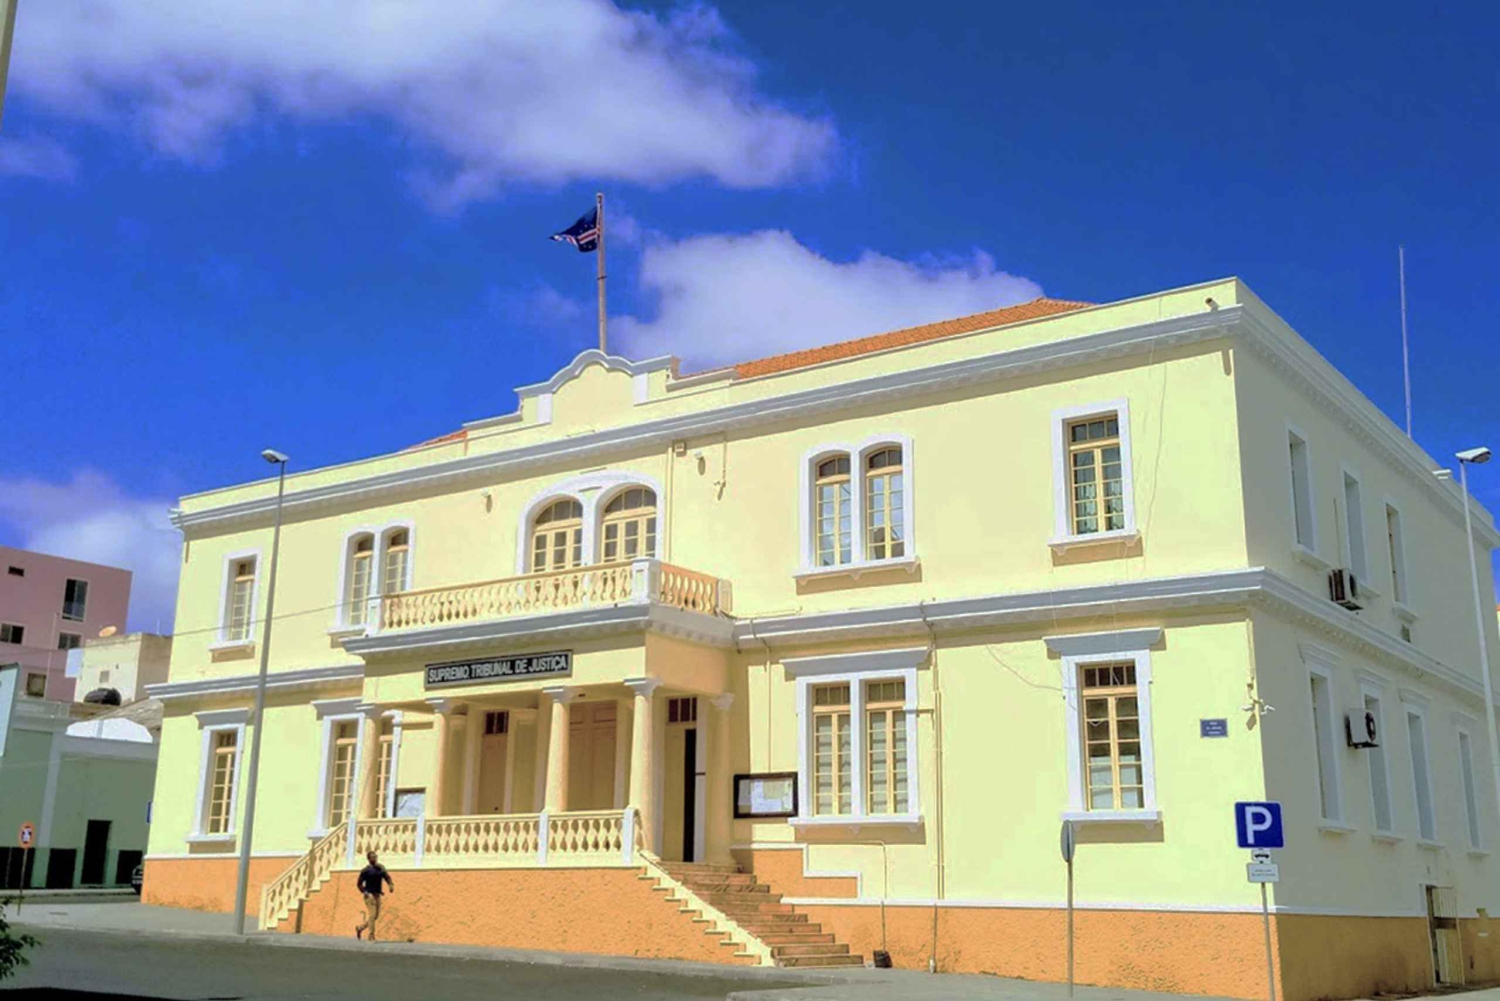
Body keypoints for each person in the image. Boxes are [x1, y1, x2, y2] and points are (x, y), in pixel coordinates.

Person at [354, 850, 394, 941]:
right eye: (372, 857)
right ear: (368, 859)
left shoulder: (380, 868)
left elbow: (387, 877)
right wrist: (365, 892)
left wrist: (390, 885)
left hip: (377, 894)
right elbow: (359, 884)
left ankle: (360, 928)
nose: (375, 858)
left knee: (375, 916)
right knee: (372, 915)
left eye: (375, 857)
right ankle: (371, 935)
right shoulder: (365, 871)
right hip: (369, 895)